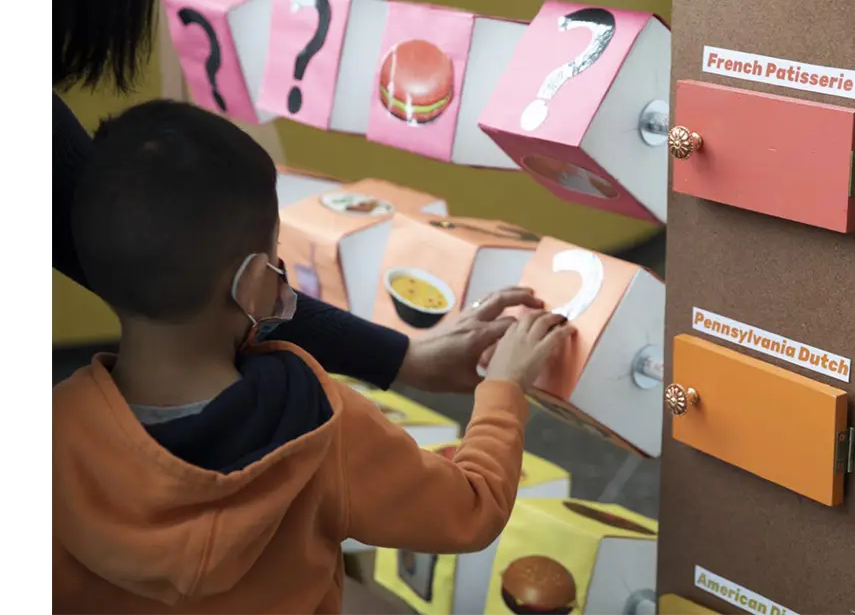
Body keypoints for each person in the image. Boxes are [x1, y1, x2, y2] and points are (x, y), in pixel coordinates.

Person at [50, 100, 574, 612]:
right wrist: (503, 387)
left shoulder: (56, 428)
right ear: (255, 284)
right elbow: (471, 507)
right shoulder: (315, 421)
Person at [50, 0, 519, 393]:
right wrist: (501, 392)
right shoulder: (301, 425)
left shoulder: (72, 420)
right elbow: (473, 479)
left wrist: (401, 356)